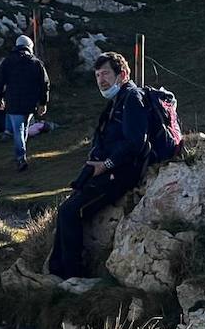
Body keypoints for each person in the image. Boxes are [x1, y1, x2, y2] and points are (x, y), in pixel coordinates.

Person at [48, 52, 148, 280]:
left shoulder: (132, 98)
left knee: (71, 211)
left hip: (122, 174)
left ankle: (72, 276)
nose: (101, 80)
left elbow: (136, 142)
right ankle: (57, 270)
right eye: (97, 75)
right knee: (67, 209)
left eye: (105, 74)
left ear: (122, 75)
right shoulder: (116, 100)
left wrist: (107, 164)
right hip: (106, 170)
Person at [0, 35, 49, 172]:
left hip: (13, 101)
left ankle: (20, 157)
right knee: (23, 128)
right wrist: (43, 102)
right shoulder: (36, 62)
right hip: (30, 102)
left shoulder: (8, 61)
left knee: (18, 129)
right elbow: (44, 84)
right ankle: (22, 154)